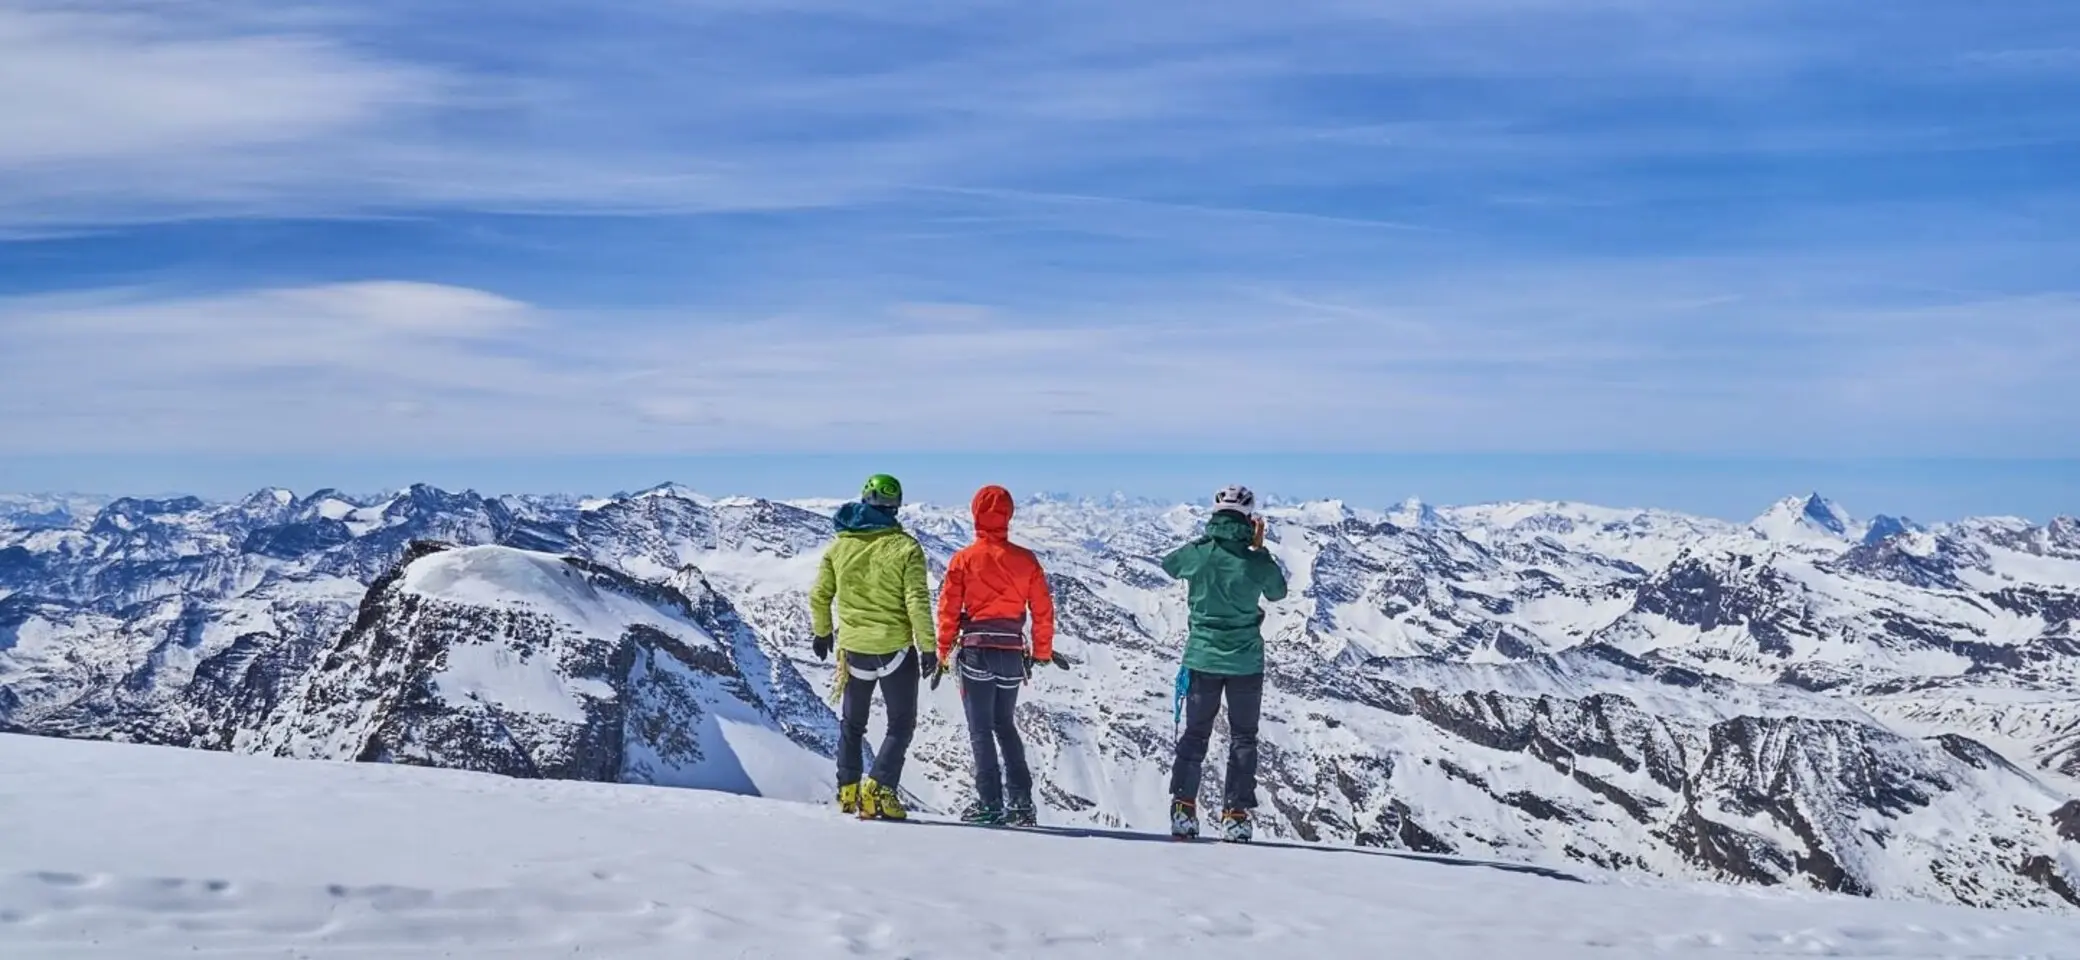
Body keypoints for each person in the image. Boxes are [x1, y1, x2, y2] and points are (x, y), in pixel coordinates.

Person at [1160, 484, 1288, 842]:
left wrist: (1203, 548)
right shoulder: (1256, 560)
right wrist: (1257, 549)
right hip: (1246, 661)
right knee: (1243, 737)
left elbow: (1170, 565)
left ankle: (1183, 810)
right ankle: (1236, 815)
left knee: (1196, 734)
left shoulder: (1200, 554)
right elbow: (1277, 592)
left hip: (1202, 657)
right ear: (1250, 519)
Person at [809, 473, 938, 821]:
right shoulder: (906, 547)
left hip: (852, 652)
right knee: (900, 724)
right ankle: (880, 789)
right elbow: (916, 601)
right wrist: (928, 647)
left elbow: (819, 595)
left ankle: (847, 790)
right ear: (896, 506)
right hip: (895, 649)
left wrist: (823, 633)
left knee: (852, 724)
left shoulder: (838, 546)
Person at [935, 485, 1060, 827]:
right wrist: (1043, 651)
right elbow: (1042, 610)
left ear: (975, 513)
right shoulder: (1026, 560)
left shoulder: (964, 559)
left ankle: (990, 803)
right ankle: (1021, 803)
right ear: (1009, 515)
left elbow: (948, 609)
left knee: (980, 729)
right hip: (1011, 653)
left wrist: (944, 650)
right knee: (1005, 725)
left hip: (977, 651)